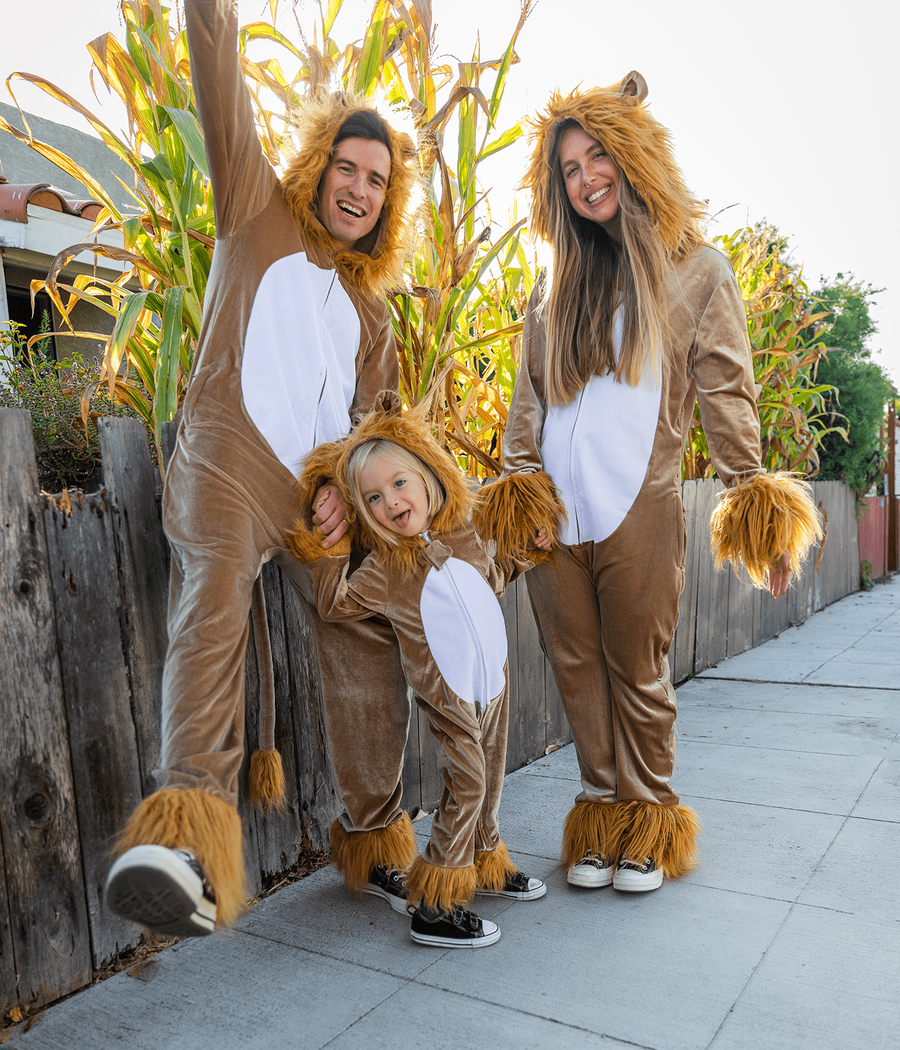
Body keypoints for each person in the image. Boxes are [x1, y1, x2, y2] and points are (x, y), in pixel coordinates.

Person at [104, 0, 421, 937]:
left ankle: (376, 829)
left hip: (312, 503)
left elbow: (373, 438)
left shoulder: (375, 322)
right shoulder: (255, 206)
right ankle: (185, 839)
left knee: (363, 620)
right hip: (228, 467)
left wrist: (345, 506)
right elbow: (217, 77)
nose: (358, 188)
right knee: (216, 590)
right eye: (346, 166)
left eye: (377, 179)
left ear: (387, 201)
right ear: (318, 163)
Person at [474, 72, 821, 894]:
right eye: (569, 167)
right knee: (577, 668)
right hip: (556, 516)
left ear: (633, 158)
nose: (586, 175)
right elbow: (528, 405)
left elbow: (727, 392)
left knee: (638, 667)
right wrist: (520, 485)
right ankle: (600, 812)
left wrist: (757, 507)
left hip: (642, 507)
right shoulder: (551, 285)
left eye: (599, 155)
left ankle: (650, 816)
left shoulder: (695, 270)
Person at [286, 396, 546, 947]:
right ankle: (435, 903)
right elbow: (336, 606)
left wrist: (528, 551)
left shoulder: (467, 535)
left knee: (490, 777)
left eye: (399, 484)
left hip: (492, 684)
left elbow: (493, 576)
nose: (392, 502)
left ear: (428, 475)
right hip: (447, 697)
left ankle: (484, 861)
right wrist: (327, 554)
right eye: (374, 498)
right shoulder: (384, 570)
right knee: (468, 778)